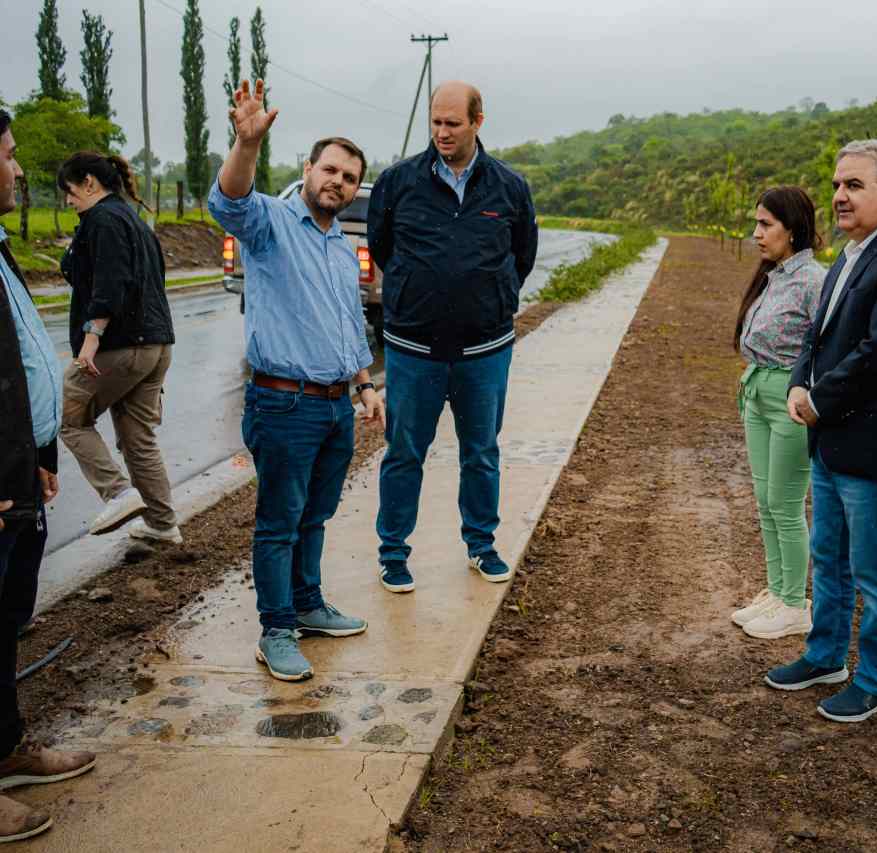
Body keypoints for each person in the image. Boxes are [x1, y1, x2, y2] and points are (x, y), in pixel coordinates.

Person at [763, 140, 877, 724]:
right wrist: (798, 381)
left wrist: (818, 398)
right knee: (829, 558)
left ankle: (876, 681)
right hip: (833, 439)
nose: (839, 196)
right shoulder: (848, 256)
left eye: (855, 186)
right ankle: (824, 657)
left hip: (876, 442)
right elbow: (816, 337)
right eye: (838, 185)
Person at [209, 80, 386, 682]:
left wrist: (364, 386)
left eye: (350, 178)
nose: (338, 182)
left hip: (337, 407)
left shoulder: (342, 247)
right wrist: (246, 143)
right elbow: (230, 200)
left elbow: (346, 327)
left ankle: (309, 606)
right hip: (284, 404)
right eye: (330, 170)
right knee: (280, 523)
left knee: (314, 517)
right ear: (307, 169)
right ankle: (276, 629)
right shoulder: (271, 224)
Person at [368, 81, 537, 591]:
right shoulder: (397, 183)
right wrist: (416, 296)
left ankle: (481, 546)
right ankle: (393, 553)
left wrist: (493, 298)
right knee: (403, 453)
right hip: (412, 350)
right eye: (436, 123)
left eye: (453, 123)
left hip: (484, 351)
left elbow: (521, 257)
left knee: (481, 451)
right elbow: (383, 249)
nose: (442, 132)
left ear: (478, 121)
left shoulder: (509, 187)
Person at [0, 108, 97, 844]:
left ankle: (6, 748)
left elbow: (19, 363)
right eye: (6, 155)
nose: (16, 169)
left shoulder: (0, 250)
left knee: (6, 621)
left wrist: (38, 454)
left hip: (19, 472)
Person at [56, 151, 180, 543]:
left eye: (70, 191)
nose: (68, 200)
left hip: (120, 344)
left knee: (70, 417)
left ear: (90, 183)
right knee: (136, 437)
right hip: (156, 345)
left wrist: (91, 339)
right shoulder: (134, 221)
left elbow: (111, 282)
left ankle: (118, 493)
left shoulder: (102, 219)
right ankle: (163, 525)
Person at [730, 186, 825, 640]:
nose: (757, 234)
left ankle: (793, 604)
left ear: (794, 228)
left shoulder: (813, 280)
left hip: (789, 394)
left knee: (786, 505)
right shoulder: (775, 275)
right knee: (765, 500)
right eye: (757, 224)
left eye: (766, 224)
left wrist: (808, 393)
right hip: (757, 389)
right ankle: (777, 589)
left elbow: (826, 346)